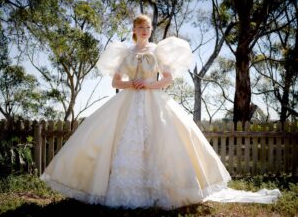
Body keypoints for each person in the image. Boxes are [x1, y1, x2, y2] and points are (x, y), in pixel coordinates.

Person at [40, 14, 281, 210]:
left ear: (151, 29)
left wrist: (148, 85)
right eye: (141, 27)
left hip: (154, 100)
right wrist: (130, 84)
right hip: (128, 101)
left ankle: (163, 190)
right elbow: (115, 82)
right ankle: (121, 191)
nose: (145, 30)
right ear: (134, 29)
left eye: (148, 27)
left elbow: (167, 79)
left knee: (164, 140)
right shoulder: (125, 52)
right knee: (117, 141)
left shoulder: (158, 51)